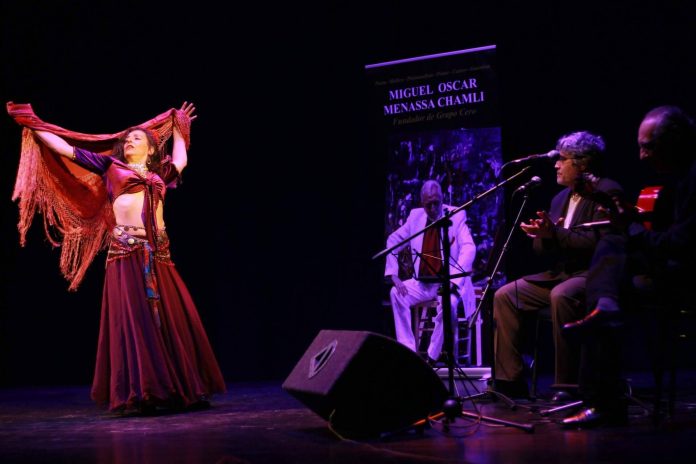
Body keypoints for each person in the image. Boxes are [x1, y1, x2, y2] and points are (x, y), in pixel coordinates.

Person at [6, 101, 226, 414]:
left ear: (151, 149)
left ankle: (181, 388)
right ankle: (143, 392)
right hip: (126, 251)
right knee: (136, 321)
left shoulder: (159, 172)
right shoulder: (110, 166)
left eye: (137, 138)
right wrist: (33, 123)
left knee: (170, 318)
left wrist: (180, 126)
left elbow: (181, 159)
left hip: (159, 253)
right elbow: (65, 149)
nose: (130, 141)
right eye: (127, 139)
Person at [561, 105, 696, 427]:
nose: (641, 156)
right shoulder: (678, 180)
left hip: (686, 276)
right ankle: (605, 308)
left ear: (675, 140)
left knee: (605, 287)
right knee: (609, 272)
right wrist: (630, 224)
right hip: (671, 264)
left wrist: (631, 229)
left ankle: (603, 402)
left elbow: (681, 245)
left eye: (648, 146)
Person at [493, 131, 623, 400]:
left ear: (582, 163)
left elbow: (598, 243)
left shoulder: (606, 191)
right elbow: (544, 250)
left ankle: (567, 384)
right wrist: (543, 236)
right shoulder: (560, 198)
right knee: (505, 295)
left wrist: (555, 233)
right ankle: (510, 382)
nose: (556, 165)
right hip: (561, 274)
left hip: (592, 275)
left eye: (562, 159)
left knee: (561, 295)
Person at [385, 180, 476, 364]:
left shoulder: (456, 215)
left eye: (436, 202)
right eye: (429, 204)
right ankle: (409, 352)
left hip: (448, 282)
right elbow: (393, 240)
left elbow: (469, 248)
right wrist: (393, 274)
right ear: (422, 203)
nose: (433, 208)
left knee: (449, 304)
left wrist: (453, 281)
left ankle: (432, 356)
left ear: (442, 198)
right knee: (396, 293)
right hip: (424, 282)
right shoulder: (415, 218)